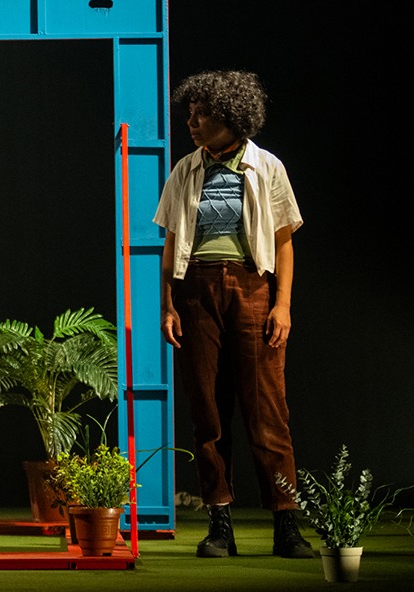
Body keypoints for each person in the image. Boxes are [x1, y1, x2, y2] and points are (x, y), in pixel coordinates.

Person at [153, 69, 313, 559]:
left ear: (231, 117)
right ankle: (219, 523)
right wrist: (167, 304)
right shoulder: (185, 169)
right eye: (190, 113)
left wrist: (282, 304)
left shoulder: (267, 167)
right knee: (208, 411)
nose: (192, 123)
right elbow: (172, 243)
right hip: (196, 290)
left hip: (252, 286)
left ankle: (286, 524)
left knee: (267, 411)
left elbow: (284, 242)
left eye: (202, 114)